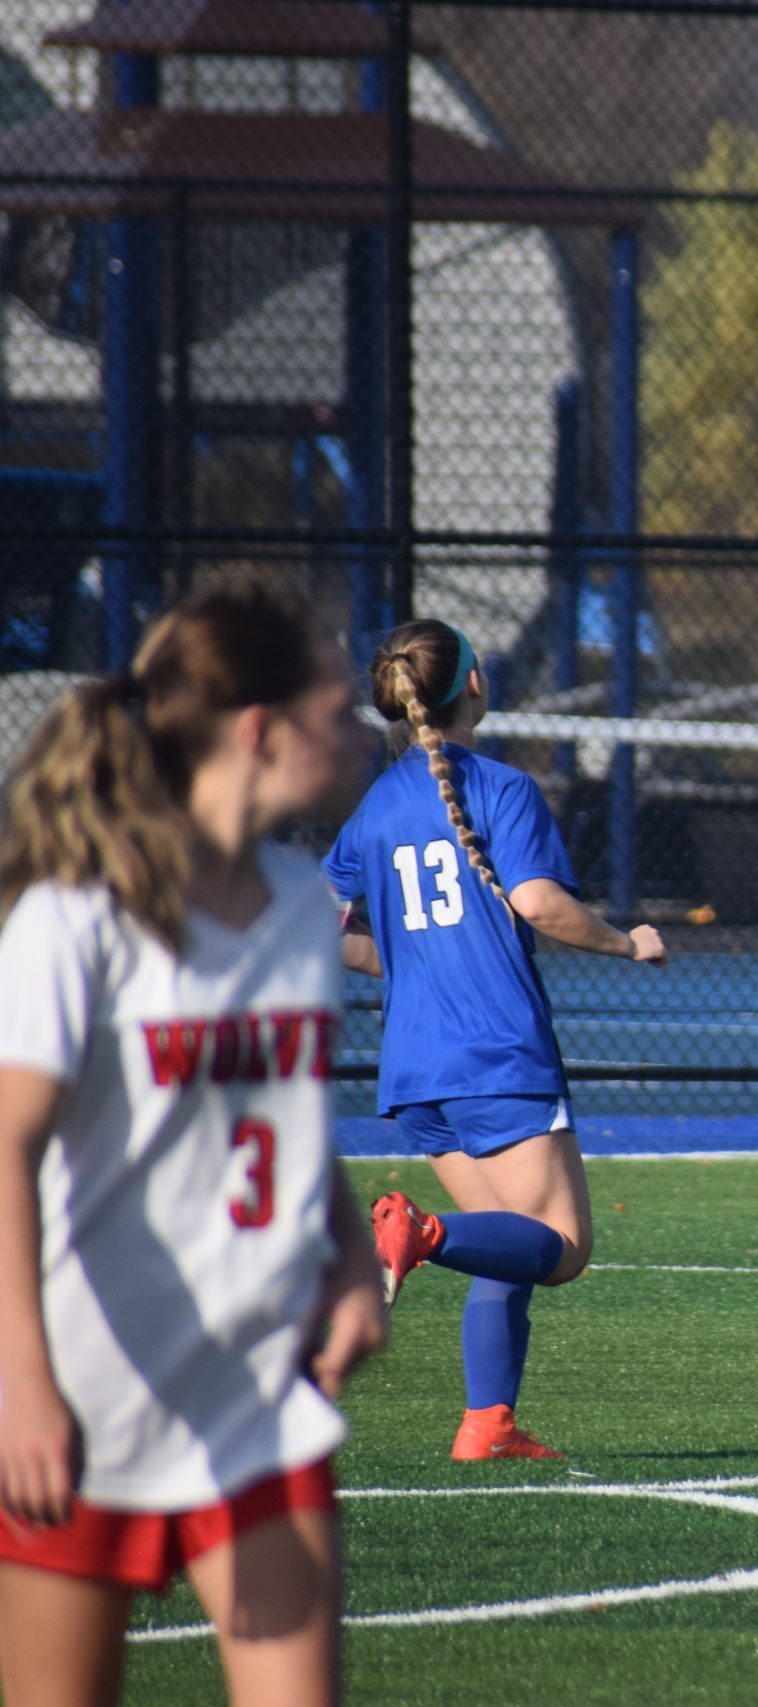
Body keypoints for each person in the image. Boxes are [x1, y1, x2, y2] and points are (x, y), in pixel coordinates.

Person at [0, 580, 385, 1706]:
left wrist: (349, 1251)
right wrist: (22, 1383)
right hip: (87, 1396)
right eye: (335, 701)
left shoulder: (303, 904)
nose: (358, 725)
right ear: (260, 731)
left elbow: (285, 1114)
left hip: (252, 1399)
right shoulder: (76, 920)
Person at [327, 619, 666, 1463]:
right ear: (473, 685)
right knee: (561, 1249)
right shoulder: (504, 789)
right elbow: (541, 904)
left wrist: (404, 965)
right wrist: (629, 943)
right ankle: (420, 1232)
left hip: (415, 1069)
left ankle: (488, 1424)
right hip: (496, 1056)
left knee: (505, 1241)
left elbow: (321, 931)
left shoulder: (374, 809)